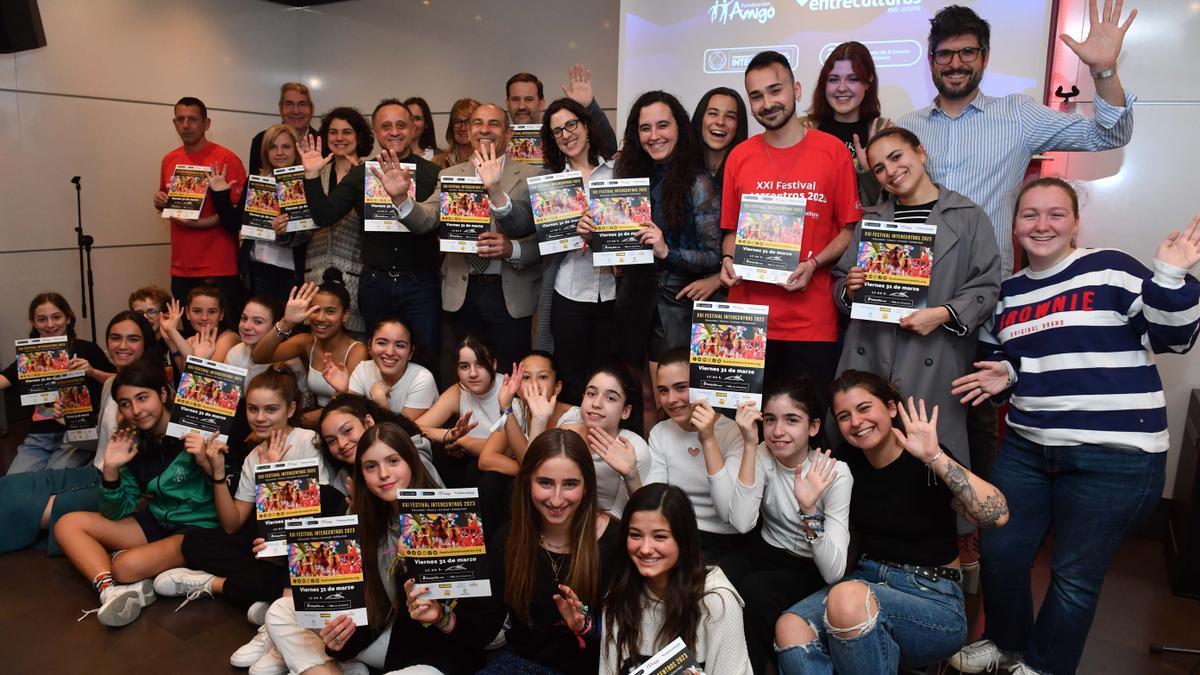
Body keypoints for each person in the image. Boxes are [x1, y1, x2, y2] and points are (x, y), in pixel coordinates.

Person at [947, 178, 1200, 675]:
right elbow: (1008, 361)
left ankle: (1043, 667)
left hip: (1116, 454)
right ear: (1015, 224)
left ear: (1076, 222)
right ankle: (1005, 642)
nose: (1042, 225)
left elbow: (1175, 338)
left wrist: (1170, 276)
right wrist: (1007, 374)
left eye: (1056, 214)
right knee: (1002, 550)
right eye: (1030, 215)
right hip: (1028, 445)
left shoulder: (1111, 268)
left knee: (1073, 575)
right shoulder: (1009, 293)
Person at [897, 1, 1138, 488]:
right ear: (931, 60)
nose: (956, 63)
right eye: (945, 54)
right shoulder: (909, 128)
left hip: (984, 296)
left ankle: (975, 521)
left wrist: (1103, 69)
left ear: (984, 58)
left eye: (967, 52)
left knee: (977, 411)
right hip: (915, 292)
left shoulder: (1018, 115)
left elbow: (1111, 131)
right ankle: (915, 524)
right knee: (908, 403)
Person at [773, 370, 1009, 674]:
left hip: (932, 596)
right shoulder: (847, 463)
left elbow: (997, 515)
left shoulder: (925, 460)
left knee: (847, 598)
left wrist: (935, 456)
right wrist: (808, 509)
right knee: (790, 626)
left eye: (864, 408)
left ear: (892, 408)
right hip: (865, 582)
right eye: (844, 416)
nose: (856, 422)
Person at [833, 127, 1001, 478]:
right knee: (862, 466)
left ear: (921, 153)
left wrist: (942, 315)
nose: (890, 171)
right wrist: (850, 289)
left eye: (896, 157)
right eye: (879, 168)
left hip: (935, 356)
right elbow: (839, 283)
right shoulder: (872, 220)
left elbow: (986, 284)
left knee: (930, 468)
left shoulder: (968, 215)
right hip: (870, 352)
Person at [264, 422, 494, 674]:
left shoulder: (452, 517)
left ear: (411, 462)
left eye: (393, 461)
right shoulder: (365, 523)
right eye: (371, 467)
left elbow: (478, 629)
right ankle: (340, 666)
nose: (383, 474)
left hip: (437, 653)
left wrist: (440, 614)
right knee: (280, 611)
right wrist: (338, 640)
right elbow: (370, 612)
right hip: (387, 641)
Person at [718, 51, 863, 391]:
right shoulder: (739, 156)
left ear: (796, 90)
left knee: (807, 426)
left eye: (775, 90)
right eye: (756, 96)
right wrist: (727, 258)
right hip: (747, 319)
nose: (767, 103)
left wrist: (813, 264)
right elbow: (730, 232)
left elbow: (847, 230)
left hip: (810, 322)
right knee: (747, 427)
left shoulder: (833, 152)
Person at [54, 361, 219, 627]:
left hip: (197, 528)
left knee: (125, 566)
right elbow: (116, 511)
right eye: (125, 403)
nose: (136, 410)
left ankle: (140, 570)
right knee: (67, 524)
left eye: (143, 398)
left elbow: (225, 491)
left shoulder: (195, 430)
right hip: (159, 521)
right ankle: (111, 590)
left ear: (163, 395)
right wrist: (110, 470)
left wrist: (204, 460)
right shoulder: (132, 441)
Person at [390, 102, 542, 370]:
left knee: (509, 372)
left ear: (508, 134)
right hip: (463, 291)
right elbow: (426, 218)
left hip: (510, 293)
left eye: (494, 124)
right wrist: (402, 199)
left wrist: (513, 248)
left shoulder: (533, 175)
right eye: (477, 123)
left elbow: (540, 235)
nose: (485, 129)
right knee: (467, 373)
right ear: (469, 132)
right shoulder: (450, 174)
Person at [719, 377, 851, 674]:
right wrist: (750, 447)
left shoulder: (836, 473)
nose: (778, 431)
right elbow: (741, 523)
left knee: (756, 590)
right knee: (720, 576)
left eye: (792, 420)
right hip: (766, 552)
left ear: (813, 427)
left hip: (810, 568)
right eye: (770, 420)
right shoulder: (763, 452)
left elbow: (833, 571)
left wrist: (808, 508)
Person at [0, 311, 159, 555]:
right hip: (94, 473)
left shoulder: (154, 389)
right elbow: (99, 446)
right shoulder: (109, 385)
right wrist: (71, 424)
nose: (123, 345)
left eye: (133, 339)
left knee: (28, 508)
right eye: (116, 338)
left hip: (124, 491)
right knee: (9, 487)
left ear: (146, 343)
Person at [299, 99, 443, 369]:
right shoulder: (361, 174)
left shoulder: (434, 174)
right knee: (378, 361)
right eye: (386, 126)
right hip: (376, 283)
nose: (394, 131)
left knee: (426, 356)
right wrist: (311, 175)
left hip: (421, 284)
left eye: (401, 125)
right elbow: (325, 215)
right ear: (376, 133)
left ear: (414, 129)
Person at [479, 428, 622, 675]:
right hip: (519, 665)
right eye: (545, 483)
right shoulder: (509, 538)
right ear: (528, 482)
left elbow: (629, 632)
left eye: (570, 484)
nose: (556, 500)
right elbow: (484, 623)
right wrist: (442, 616)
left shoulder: (614, 541)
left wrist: (586, 626)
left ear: (586, 486)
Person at [613, 91, 722, 410]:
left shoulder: (698, 182)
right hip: (633, 300)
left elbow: (713, 256)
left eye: (663, 125)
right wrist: (595, 232)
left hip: (674, 307)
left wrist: (666, 250)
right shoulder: (628, 175)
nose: (654, 135)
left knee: (675, 402)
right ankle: (652, 460)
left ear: (679, 128)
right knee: (645, 396)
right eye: (645, 128)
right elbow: (620, 243)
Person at [601, 483, 753, 674]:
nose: (646, 548)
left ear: (682, 540)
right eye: (636, 535)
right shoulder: (618, 598)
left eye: (660, 537)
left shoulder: (716, 602)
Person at [534, 97, 617, 402]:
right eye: (557, 131)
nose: (566, 134)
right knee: (570, 375)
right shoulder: (549, 183)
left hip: (612, 292)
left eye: (571, 124)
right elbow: (534, 234)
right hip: (568, 292)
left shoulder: (617, 172)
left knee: (608, 377)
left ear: (585, 125)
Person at [641, 350, 744, 561]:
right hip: (678, 537)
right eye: (663, 390)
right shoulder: (660, 432)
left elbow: (727, 514)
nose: (671, 399)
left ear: (701, 385)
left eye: (681, 388)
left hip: (726, 543)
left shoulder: (732, 431)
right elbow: (655, 504)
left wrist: (707, 438)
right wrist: (631, 475)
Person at [1, 293, 113, 473]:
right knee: (15, 482)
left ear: (68, 318)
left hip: (77, 434)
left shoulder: (86, 349)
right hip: (39, 437)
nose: (50, 324)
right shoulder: (31, 355)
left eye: (56, 317)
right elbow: (3, 379)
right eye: (42, 319)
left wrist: (93, 372)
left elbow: (121, 381)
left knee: (55, 477)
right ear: (33, 323)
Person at [153, 96, 247, 307]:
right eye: (180, 119)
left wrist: (204, 223)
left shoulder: (226, 159)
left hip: (220, 265)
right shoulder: (169, 160)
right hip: (181, 266)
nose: (186, 125)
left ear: (206, 123)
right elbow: (166, 199)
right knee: (188, 333)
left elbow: (239, 211)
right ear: (174, 123)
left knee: (224, 334)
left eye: (193, 119)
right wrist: (159, 201)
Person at [211, 123, 311, 301]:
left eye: (286, 146)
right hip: (255, 271)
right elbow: (233, 223)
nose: (279, 152)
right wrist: (220, 194)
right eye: (273, 147)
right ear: (265, 152)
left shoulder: (309, 182)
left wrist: (287, 229)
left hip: (292, 273)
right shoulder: (257, 182)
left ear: (296, 150)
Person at [251, 278, 367, 427]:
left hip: (343, 421)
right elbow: (259, 356)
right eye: (315, 309)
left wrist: (290, 422)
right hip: (314, 418)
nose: (320, 318)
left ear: (345, 315)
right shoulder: (307, 342)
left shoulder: (357, 351)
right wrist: (287, 322)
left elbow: (348, 404)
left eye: (330, 311)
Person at [304, 106, 373, 336]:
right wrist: (284, 229)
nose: (339, 138)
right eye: (333, 132)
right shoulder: (312, 173)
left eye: (347, 132)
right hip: (315, 276)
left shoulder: (372, 175)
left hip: (357, 275)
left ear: (359, 136)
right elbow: (303, 224)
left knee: (356, 345)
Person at [804, 41, 887, 207]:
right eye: (833, 79)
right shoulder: (804, 129)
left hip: (862, 230)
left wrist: (869, 171)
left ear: (868, 81)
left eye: (853, 79)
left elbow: (891, 203)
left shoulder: (882, 132)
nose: (842, 88)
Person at [416, 337, 505, 488]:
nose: (473, 373)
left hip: (500, 465)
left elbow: (505, 451)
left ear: (494, 364)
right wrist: (450, 435)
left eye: (481, 364)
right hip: (468, 461)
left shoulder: (508, 390)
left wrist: (463, 442)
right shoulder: (458, 391)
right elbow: (413, 428)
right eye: (464, 367)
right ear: (457, 370)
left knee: (484, 478)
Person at [572, 366, 652, 519]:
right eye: (591, 393)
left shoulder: (632, 448)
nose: (596, 403)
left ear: (625, 411)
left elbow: (635, 516)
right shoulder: (567, 432)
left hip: (611, 529)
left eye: (610, 398)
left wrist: (631, 474)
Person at [506, 65, 618, 157]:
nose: (521, 106)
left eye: (528, 99)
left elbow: (609, 148)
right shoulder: (499, 141)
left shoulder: (559, 137)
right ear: (507, 103)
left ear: (541, 103)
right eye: (515, 99)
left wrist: (589, 107)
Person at [343, 318, 438, 420]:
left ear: (410, 353)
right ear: (370, 346)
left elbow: (405, 432)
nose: (390, 352)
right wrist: (341, 391)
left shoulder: (422, 379)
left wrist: (381, 402)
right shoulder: (363, 369)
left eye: (400, 345)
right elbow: (352, 419)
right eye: (382, 343)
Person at [158, 284, 242, 368]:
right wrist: (169, 340)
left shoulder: (228, 337)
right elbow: (186, 376)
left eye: (212, 312)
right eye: (197, 311)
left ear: (221, 315)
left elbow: (206, 376)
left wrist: (173, 332)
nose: (204, 317)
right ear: (187, 313)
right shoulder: (190, 341)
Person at [247, 82, 321, 176]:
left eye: (302, 104)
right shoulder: (261, 140)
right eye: (289, 104)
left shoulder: (325, 142)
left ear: (312, 109)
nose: (296, 111)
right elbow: (255, 182)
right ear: (280, 108)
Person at [692, 87, 748, 193]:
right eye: (713, 114)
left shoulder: (748, 172)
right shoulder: (676, 170)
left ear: (739, 125)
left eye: (730, 117)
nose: (720, 122)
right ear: (700, 118)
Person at [128, 286, 176, 374]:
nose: (145, 317)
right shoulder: (132, 346)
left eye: (152, 312)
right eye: (139, 313)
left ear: (166, 314)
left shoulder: (183, 341)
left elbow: (197, 385)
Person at [433, 97, 481, 169]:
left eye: (468, 122)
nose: (463, 128)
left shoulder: (490, 162)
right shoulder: (438, 161)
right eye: (457, 122)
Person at [404, 96, 441, 161]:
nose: (412, 123)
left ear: (426, 124)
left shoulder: (439, 156)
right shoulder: (390, 155)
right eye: (408, 117)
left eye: (417, 118)